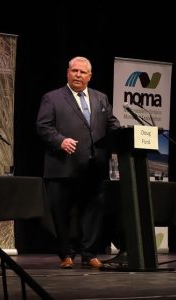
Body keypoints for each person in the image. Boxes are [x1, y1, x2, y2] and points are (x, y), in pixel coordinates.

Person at [36, 56, 120, 269]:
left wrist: (123, 136)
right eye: (74, 71)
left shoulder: (101, 98)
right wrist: (61, 140)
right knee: (62, 213)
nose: (78, 75)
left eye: (82, 72)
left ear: (89, 76)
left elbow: (112, 124)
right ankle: (66, 254)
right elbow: (43, 126)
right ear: (68, 73)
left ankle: (89, 253)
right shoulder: (52, 98)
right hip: (63, 165)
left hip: (94, 167)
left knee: (93, 212)